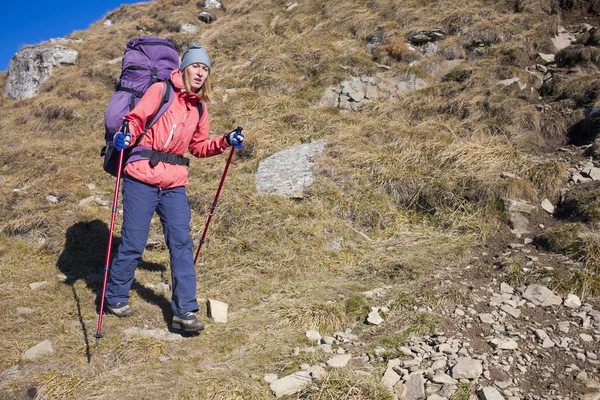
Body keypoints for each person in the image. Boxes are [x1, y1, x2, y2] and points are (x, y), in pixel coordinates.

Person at [104, 44, 244, 332]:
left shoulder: (200, 107)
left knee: (181, 243)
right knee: (133, 242)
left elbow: (198, 147)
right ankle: (115, 295)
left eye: (205, 69)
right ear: (184, 68)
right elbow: (136, 118)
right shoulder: (161, 90)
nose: (201, 72)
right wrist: (125, 136)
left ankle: (185, 311)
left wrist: (226, 140)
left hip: (174, 184)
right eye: (196, 66)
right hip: (142, 176)